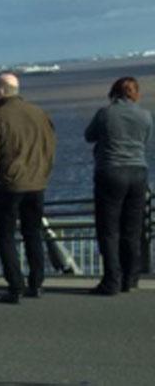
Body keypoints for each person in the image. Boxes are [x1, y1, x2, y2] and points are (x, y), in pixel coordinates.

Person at [0, 73, 57, 304]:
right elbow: (49, 149)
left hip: (8, 186)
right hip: (36, 184)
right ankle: (37, 283)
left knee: (6, 236)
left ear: (1, 91)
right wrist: (43, 174)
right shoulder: (40, 114)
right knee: (33, 233)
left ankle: (15, 285)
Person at [85, 77, 153, 295]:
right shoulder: (145, 116)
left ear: (114, 93)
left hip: (111, 171)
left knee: (109, 229)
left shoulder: (105, 114)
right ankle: (130, 278)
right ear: (135, 94)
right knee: (132, 229)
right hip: (138, 172)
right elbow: (145, 140)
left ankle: (112, 280)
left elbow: (89, 136)